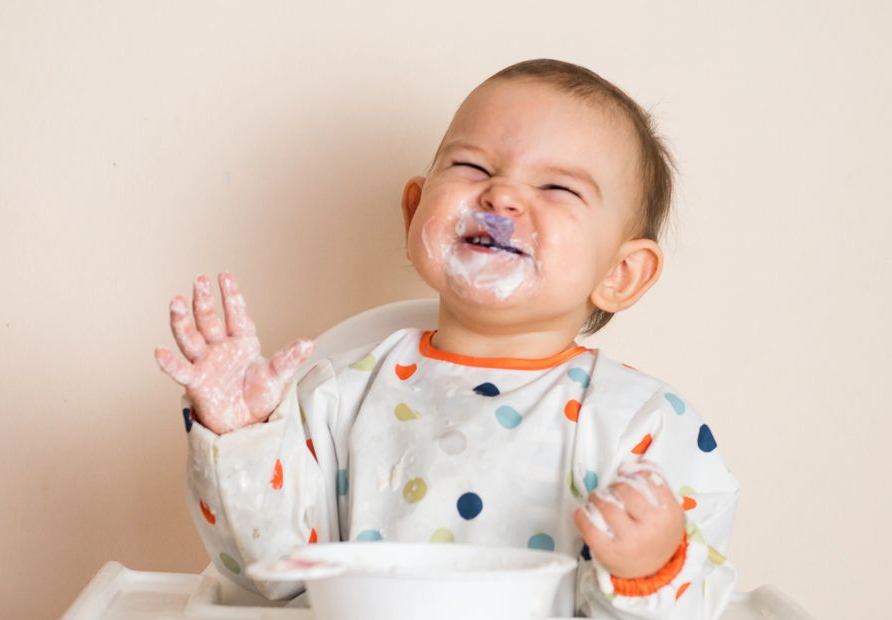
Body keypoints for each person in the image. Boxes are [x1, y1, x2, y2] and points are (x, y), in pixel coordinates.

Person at [154, 58, 739, 619]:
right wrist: (240, 438)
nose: (502, 196)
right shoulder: (336, 394)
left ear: (621, 272)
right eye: (473, 167)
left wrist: (652, 569)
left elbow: (697, 603)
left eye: (558, 188)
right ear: (415, 212)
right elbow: (268, 574)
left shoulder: (644, 427)